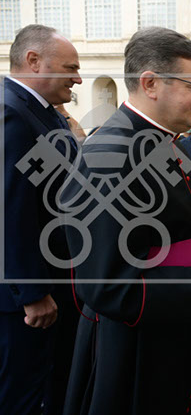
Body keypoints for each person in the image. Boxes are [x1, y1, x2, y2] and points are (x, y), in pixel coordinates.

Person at [60, 27, 191, 415]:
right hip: (136, 348)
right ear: (150, 84)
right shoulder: (108, 156)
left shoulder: (166, 141)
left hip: (172, 328)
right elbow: (108, 286)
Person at [1, 24, 83, 415]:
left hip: (57, 282)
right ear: (34, 61)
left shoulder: (41, 113)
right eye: (71, 68)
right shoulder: (11, 113)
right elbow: (9, 210)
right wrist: (33, 293)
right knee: (22, 395)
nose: (78, 78)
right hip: (26, 302)